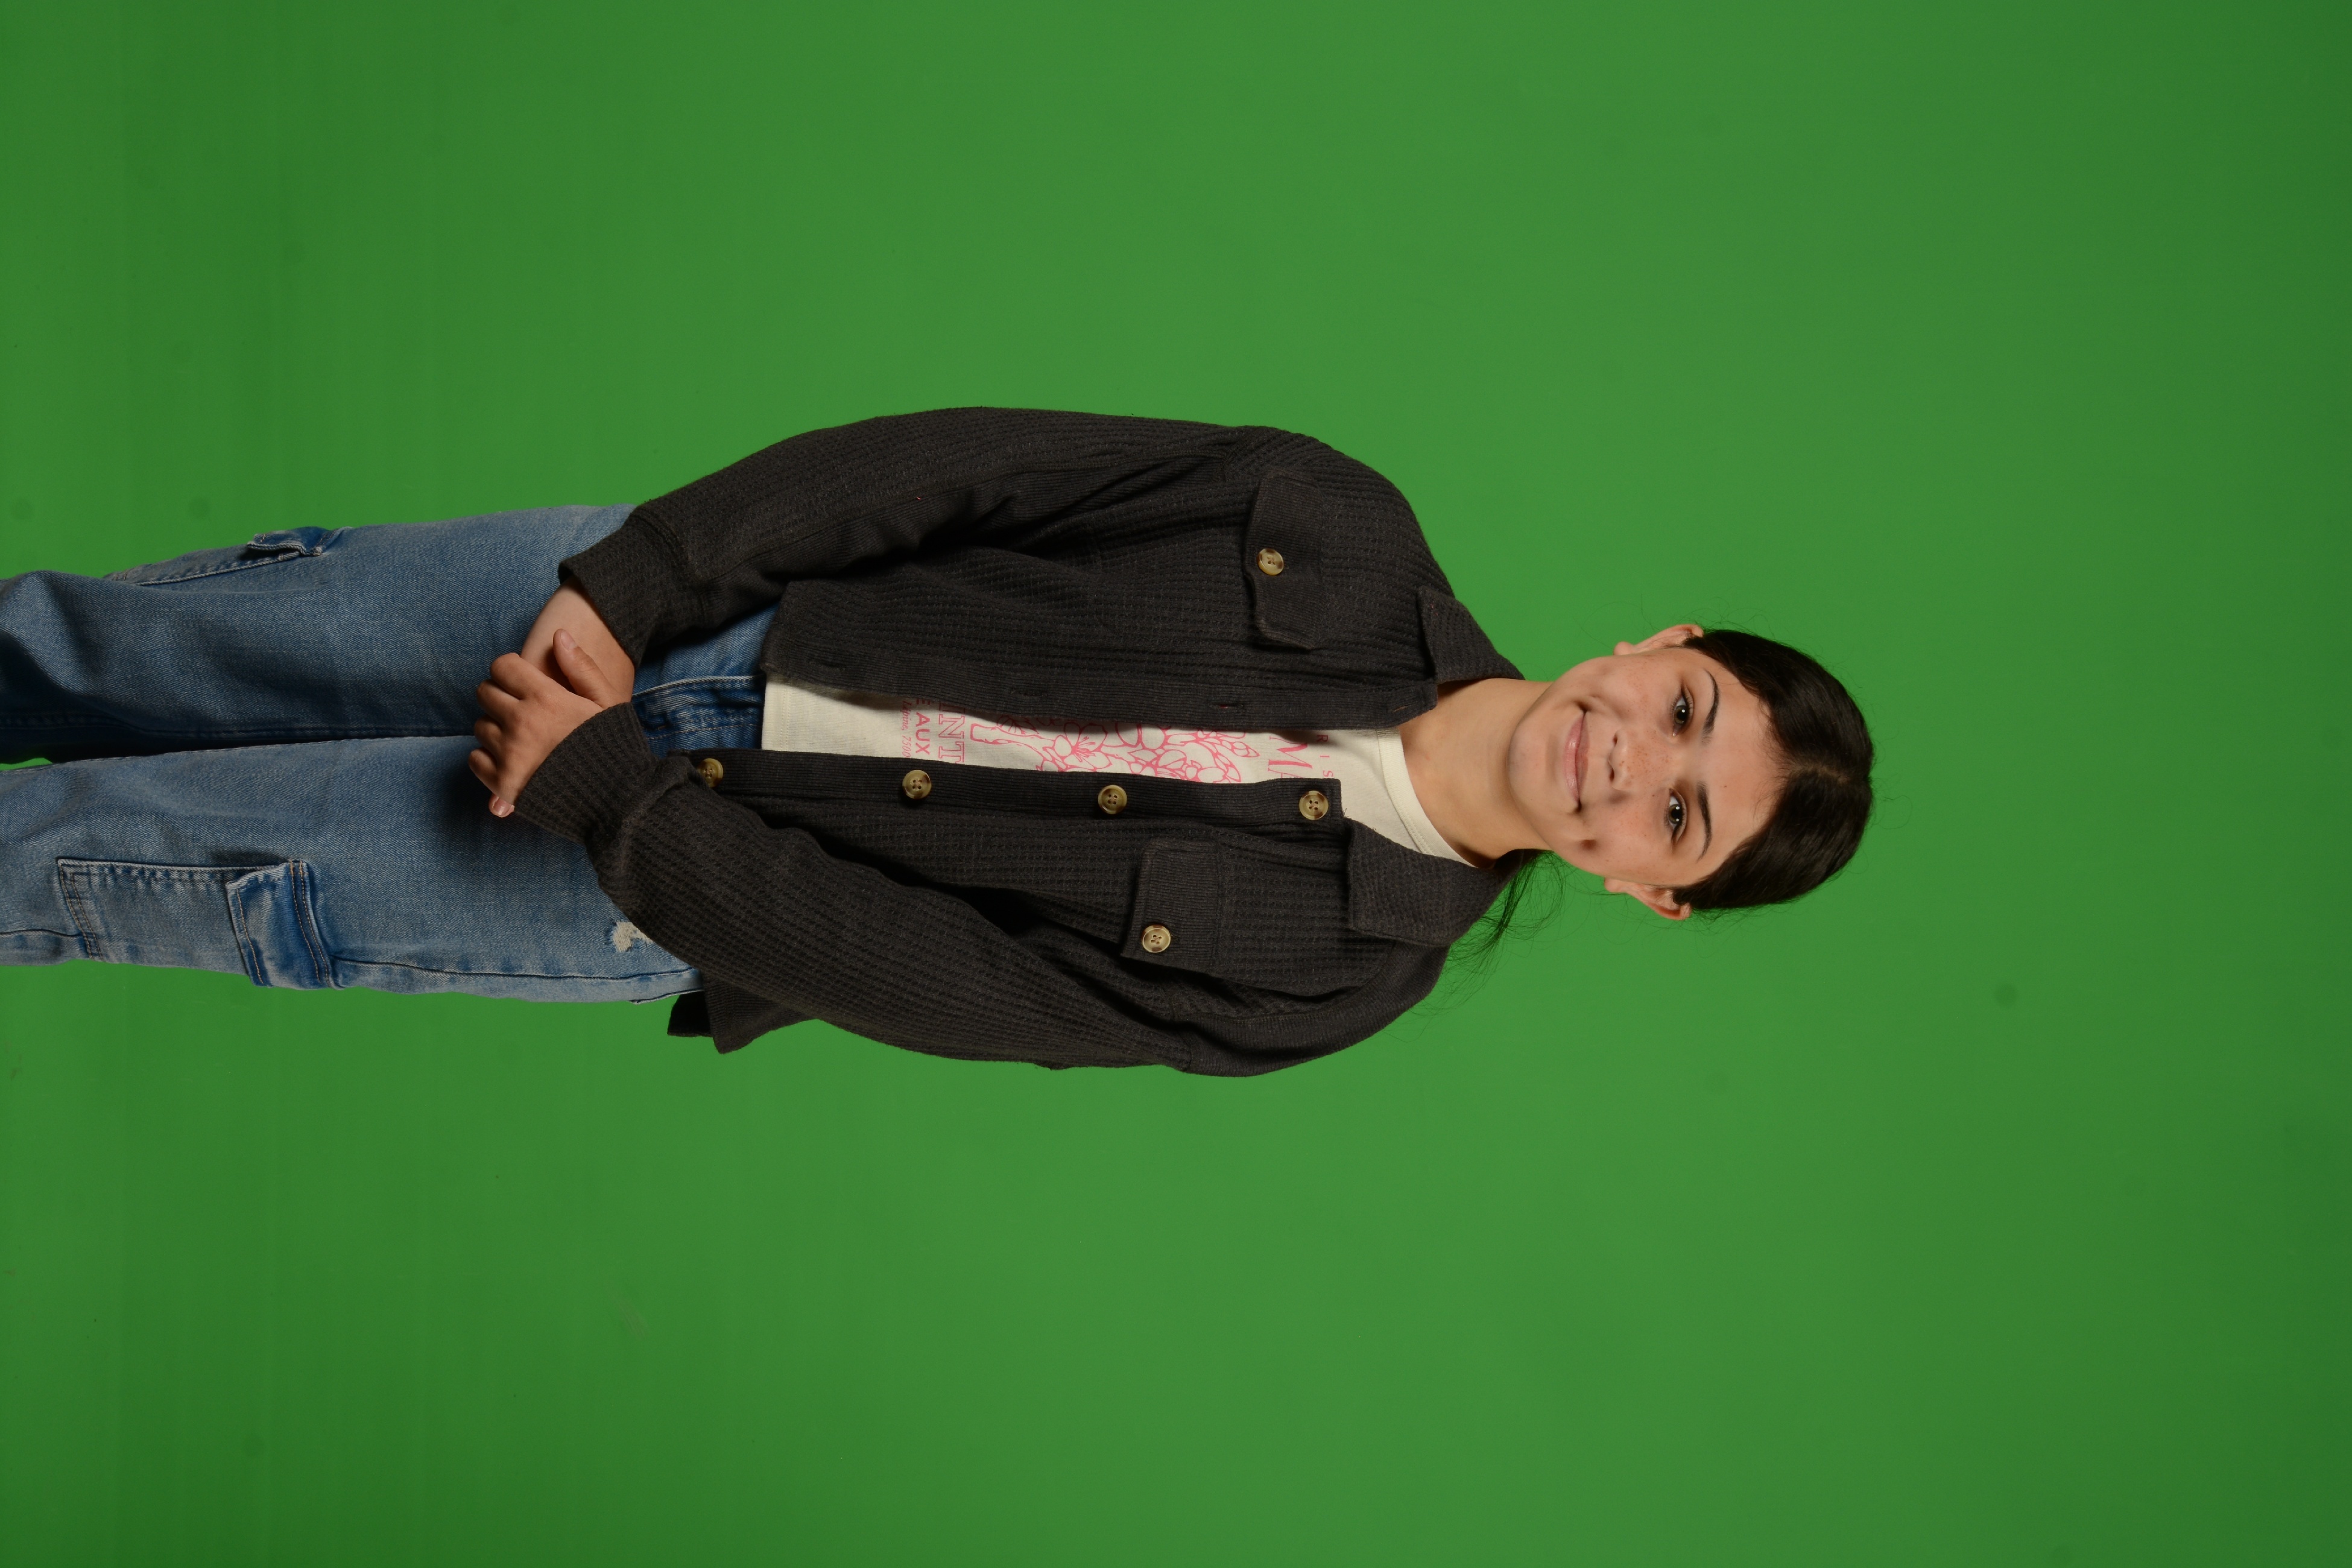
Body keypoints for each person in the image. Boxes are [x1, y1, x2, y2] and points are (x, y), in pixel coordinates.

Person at [0, 408, 1873, 1074]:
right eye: (1682, 712)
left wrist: (616, 802)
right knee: (100, 645)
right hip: (658, 611)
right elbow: (957, 473)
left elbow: (946, 983)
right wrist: (644, 577)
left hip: (626, 872)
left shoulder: (1333, 981)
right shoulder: (1335, 522)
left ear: (1649, 895)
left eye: (1678, 819)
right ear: (1658, 644)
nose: (1627, 764)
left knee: (84, 860)